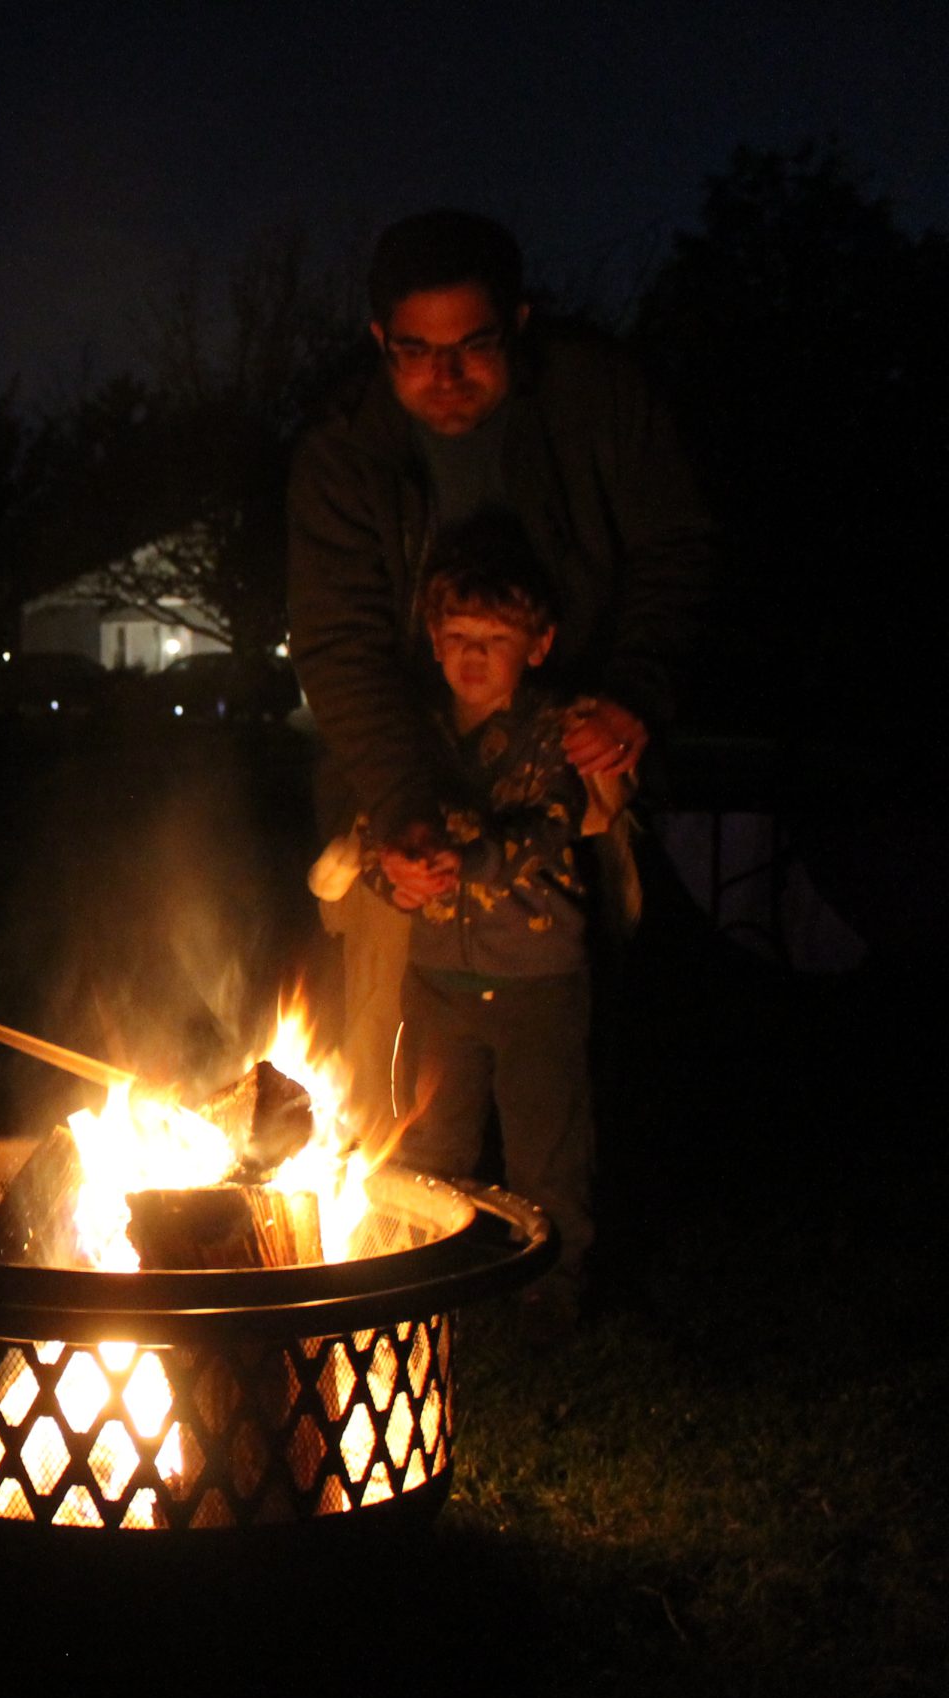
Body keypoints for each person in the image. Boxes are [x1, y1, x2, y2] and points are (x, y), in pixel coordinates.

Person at [288, 209, 713, 1127]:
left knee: (566, 959)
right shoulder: (345, 453)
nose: (445, 377)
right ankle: (399, 1175)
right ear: (380, 342)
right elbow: (340, 642)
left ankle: (558, 1160)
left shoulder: (598, 402)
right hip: (412, 736)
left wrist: (634, 694)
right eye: (415, 350)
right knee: (390, 950)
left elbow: (674, 549)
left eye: (472, 346)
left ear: (517, 324)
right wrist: (400, 800)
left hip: (571, 727)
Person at [360, 520, 603, 1328]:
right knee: (431, 1141)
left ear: (537, 644)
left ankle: (551, 1289)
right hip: (437, 979)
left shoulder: (555, 729)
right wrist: (394, 876)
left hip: (536, 979)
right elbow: (376, 835)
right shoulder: (415, 738)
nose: (473, 654)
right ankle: (428, 1283)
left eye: (494, 638)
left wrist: (474, 856)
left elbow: (555, 825)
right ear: (433, 641)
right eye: (458, 635)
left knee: (546, 1148)